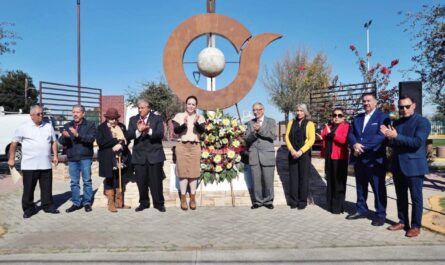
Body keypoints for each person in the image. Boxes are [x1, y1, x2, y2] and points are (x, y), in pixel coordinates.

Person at [380, 95, 431, 237]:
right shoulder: (397, 123)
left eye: (407, 106)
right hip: (398, 165)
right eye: (401, 107)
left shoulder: (422, 122)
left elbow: (417, 142)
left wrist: (396, 136)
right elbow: (395, 144)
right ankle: (403, 221)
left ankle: (415, 226)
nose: (404, 109)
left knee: (416, 198)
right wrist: (388, 137)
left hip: (414, 166)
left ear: (413, 105)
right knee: (400, 196)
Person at [7, 105, 60, 218]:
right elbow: (14, 143)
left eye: (42, 113)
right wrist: (11, 159)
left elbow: (53, 142)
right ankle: (28, 209)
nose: (41, 116)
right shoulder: (23, 127)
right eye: (38, 114)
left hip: (45, 164)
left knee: (47, 188)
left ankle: (48, 206)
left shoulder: (48, 126)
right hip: (29, 165)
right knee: (28, 189)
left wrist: (55, 155)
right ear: (32, 116)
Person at [347, 93, 390, 226]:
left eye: (369, 101)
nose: (366, 103)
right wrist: (354, 144)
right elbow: (351, 133)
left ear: (375, 102)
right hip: (359, 159)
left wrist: (362, 147)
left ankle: (380, 214)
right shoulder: (358, 118)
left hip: (375, 160)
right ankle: (361, 210)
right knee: (360, 187)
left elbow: (380, 137)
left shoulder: (383, 117)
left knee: (378, 188)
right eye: (364, 101)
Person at [126, 99, 166, 212]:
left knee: (156, 182)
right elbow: (129, 135)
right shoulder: (133, 119)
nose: (140, 110)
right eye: (139, 108)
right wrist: (138, 131)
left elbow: (160, 134)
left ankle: (159, 203)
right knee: (141, 182)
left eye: (142, 107)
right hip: (139, 156)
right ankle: (144, 203)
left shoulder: (157, 118)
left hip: (155, 155)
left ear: (148, 108)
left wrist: (148, 131)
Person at [59, 105, 96, 213]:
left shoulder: (90, 124)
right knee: (74, 182)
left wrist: (77, 135)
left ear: (83, 113)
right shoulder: (67, 125)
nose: (75, 114)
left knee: (87, 181)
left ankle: (87, 202)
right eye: (73, 112)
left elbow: (91, 139)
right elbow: (62, 142)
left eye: (78, 112)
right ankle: (76, 203)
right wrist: (64, 137)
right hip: (72, 158)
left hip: (85, 157)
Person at [172, 95, 205, 210]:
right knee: (183, 174)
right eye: (189, 104)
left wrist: (195, 123)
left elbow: (202, 131)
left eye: (193, 104)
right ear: (186, 104)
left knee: (193, 174)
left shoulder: (200, 117)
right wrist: (184, 124)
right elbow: (176, 131)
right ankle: (183, 199)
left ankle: (192, 198)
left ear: (196, 106)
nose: (191, 106)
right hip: (182, 146)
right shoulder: (179, 116)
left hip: (195, 146)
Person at [97, 108, 131, 212]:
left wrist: (121, 145)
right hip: (107, 157)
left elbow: (127, 139)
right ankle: (111, 203)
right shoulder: (101, 128)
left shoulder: (122, 126)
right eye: (111, 119)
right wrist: (116, 142)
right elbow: (101, 142)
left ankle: (119, 203)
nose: (113, 121)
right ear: (107, 118)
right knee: (109, 179)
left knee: (119, 179)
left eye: (115, 119)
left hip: (121, 157)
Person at [244, 102, 277, 209]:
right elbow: (246, 139)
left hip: (267, 155)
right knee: (256, 180)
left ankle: (268, 201)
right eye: (254, 110)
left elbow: (273, 135)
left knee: (268, 179)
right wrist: (254, 132)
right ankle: (257, 201)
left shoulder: (271, 121)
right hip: (254, 155)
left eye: (258, 109)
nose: (255, 112)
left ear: (263, 110)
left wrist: (260, 130)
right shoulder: (249, 123)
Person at [318, 107, 349, 214]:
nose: (336, 117)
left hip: (340, 159)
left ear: (343, 118)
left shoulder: (346, 126)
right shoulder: (328, 126)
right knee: (330, 181)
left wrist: (333, 135)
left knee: (339, 183)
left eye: (339, 115)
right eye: (334, 115)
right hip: (329, 158)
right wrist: (321, 136)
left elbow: (343, 140)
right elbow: (323, 138)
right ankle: (330, 205)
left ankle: (338, 207)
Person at [285, 104, 315, 210]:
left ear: (305, 112)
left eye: (301, 110)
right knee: (293, 178)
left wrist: (301, 151)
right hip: (292, 154)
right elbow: (287, 137)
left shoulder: (310, 124)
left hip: (304, 155)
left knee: (303, 178)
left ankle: (302, 201)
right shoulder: (290, 123)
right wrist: (292, 150)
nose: (298, 112)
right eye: (297, 110)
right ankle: (293, 201)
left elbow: (312, 139)